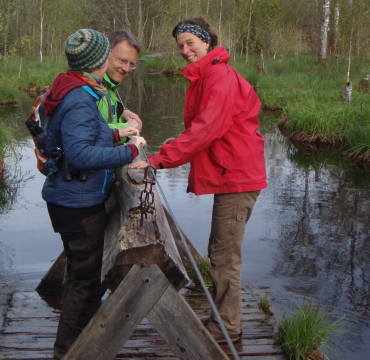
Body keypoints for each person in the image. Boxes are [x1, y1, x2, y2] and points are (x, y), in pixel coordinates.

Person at [129, 17, 267, 344]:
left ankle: (226, 330)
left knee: (224, 256)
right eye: (180, 46)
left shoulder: (219, 76)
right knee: (219, 250)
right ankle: (222, 317)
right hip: (232, 175)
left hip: (238, 178)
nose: (186, 50)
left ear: (207, 42)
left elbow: (204, 131)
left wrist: (158, 159)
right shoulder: (209, 74)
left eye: (191, 43)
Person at [41, 29, 146, 359]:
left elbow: (88, 139)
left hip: (72, 200)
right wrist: (129, 151)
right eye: (113, 57)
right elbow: (80, 154)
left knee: (79, 280)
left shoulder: (77, 90)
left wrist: (119, 133)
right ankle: (68, 353)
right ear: (100, 60)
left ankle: (75, 347)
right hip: (79, 205)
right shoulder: (80, 100)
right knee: (86, 287)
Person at [97, 30, 143, 144]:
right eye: (122, 61)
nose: (127, 69)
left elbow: (108, 113)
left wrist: (123, 112)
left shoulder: (110, 85)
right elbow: (88, 134)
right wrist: (127, 127)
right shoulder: (93, 87)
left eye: (132, 64)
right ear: (105, 54)